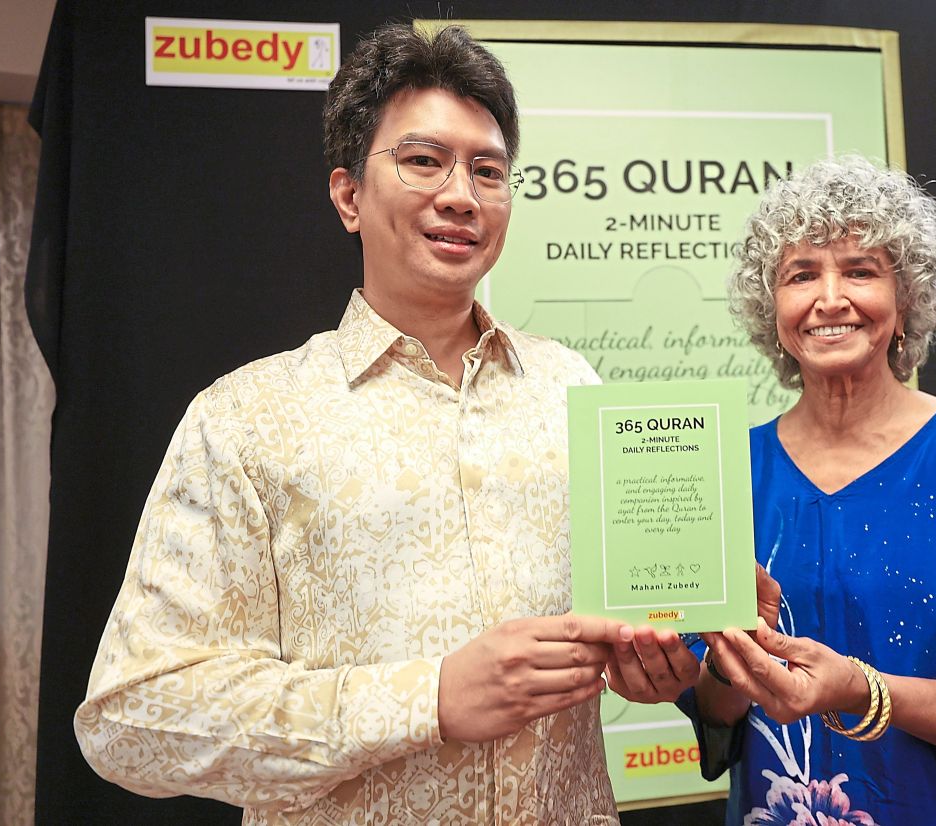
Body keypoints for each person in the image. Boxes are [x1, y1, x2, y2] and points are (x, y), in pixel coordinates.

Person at [74, 23, 635, 825]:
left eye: (488, 170)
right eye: (422, 161)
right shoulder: (246, 418)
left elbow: (624, 619)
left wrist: (664, 656)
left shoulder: (574, 388)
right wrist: (426, 698)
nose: (461, 195)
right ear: (348, 195)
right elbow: (131, 719)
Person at [615, 156, 936, 824]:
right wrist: (726, 663)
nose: (829, 298)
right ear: (771, 308)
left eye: (860, 271)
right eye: (801, 274)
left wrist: (863, 691)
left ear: (906, 302)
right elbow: (717, 705)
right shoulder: (724, 466)